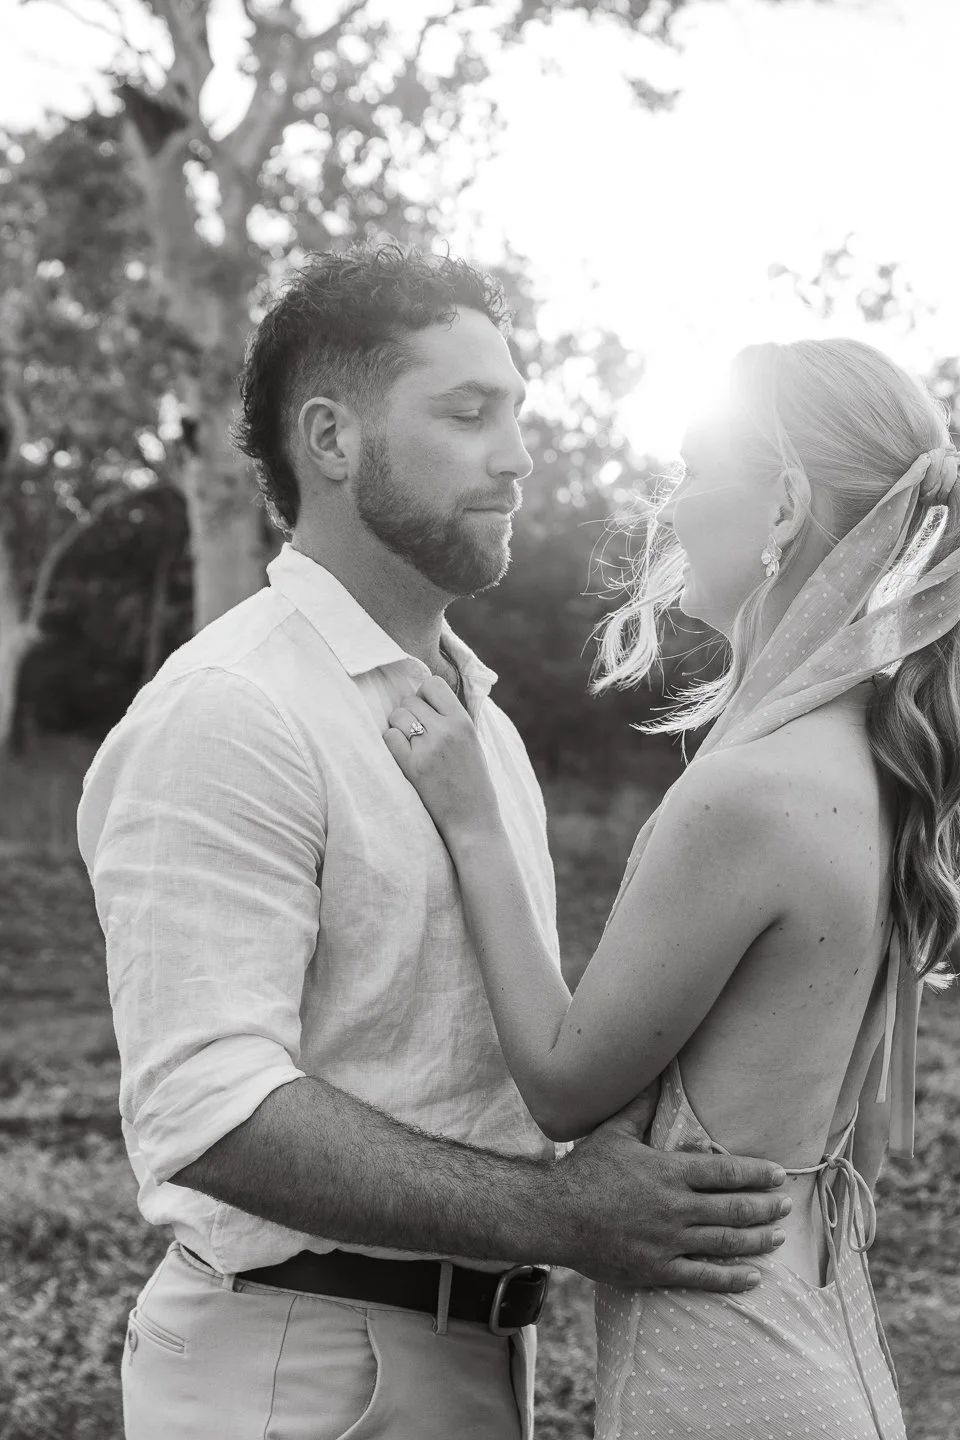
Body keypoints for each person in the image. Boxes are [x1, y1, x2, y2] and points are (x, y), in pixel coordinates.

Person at [76, 243, 790, 1440]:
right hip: (295, 1374)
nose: (516, 456)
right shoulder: (230, 710)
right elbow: (207, 1107)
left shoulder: (479, 724)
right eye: (468, 414)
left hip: (462, 1356)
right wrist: (559, 1218)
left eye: (517, 413)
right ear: (334, 440)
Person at [384, 336, 960, 1440]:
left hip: (724, 1392)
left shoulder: (748, 793)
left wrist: (474, 817)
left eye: (699, 471)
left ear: (785, 505)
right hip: (817, 1365)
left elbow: (563, 1085)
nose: (674, 510)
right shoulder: (871, 767)